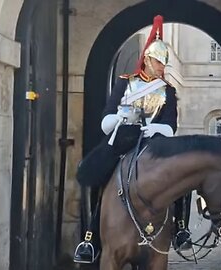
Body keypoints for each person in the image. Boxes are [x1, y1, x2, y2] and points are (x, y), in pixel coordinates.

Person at [73, 15, 192, 264]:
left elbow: (171, 126)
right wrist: (120, 117)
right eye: (159, 62)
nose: (162, 68)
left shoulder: (168, 90)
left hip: (154, 142)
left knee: (183, 179)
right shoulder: (125, 84)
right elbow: (106, 120)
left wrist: (153, 128)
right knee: (94, 175)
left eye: (164, 64)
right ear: (147, 59)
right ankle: (90, 237)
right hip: (123, 140)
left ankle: (180, 228)